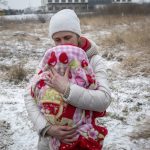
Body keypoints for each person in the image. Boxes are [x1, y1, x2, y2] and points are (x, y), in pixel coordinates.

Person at [24, 9, 111, 150]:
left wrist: (67, 89)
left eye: (67, 37)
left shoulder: (94, 60)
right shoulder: (49, 60)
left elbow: (104, 100)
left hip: (83, 140)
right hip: (49, 141)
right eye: (57, 40)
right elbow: (29, 94)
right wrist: (47, 128)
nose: (62, 44)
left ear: (78, 37)